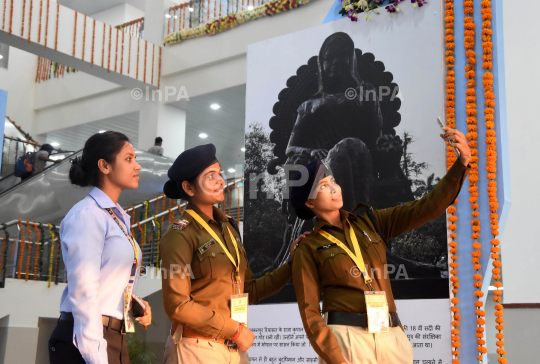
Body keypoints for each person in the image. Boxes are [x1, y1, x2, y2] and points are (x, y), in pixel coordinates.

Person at [289, 127, 471, 364]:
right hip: (348, 340)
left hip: (391, 335)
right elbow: (310, 312)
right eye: (323, 186)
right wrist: (335, 356)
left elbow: (428, 207)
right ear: (309, 202)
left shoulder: (372, 221)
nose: (334, 189)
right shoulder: (308, 247)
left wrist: (462, 163)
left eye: (333, 181)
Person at [159, 143, 304, 364]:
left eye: (219, 173)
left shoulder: (229, 229)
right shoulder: (179, 234)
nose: (220, 180)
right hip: (197, 348)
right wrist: (235, 330)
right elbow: (178, 306)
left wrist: (291, 264)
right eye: (210, 176)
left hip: (233, 347)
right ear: (189, 189)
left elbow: (250, 291)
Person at [48, 131, 152, 364]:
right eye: (128, 159)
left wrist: (136, 304)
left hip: (115, 337)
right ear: (104, 165)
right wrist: (95, 355)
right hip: (87, 340)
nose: (137, 166)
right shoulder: (88, 215)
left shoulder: (117, 217)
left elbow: (108, 280)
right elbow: (84, 290)